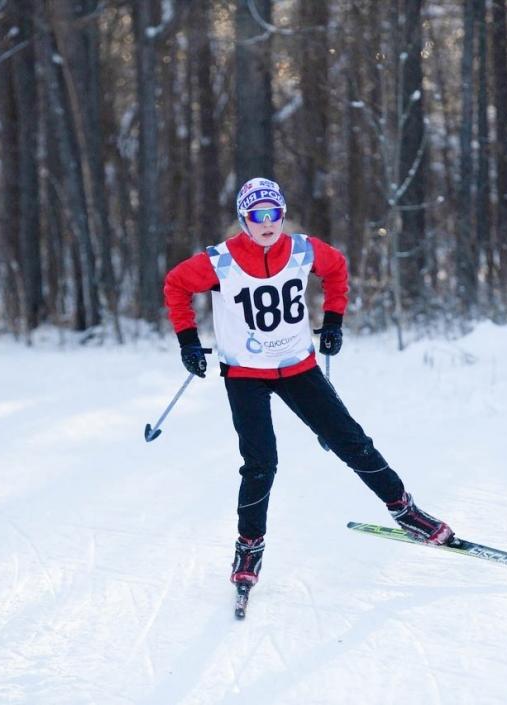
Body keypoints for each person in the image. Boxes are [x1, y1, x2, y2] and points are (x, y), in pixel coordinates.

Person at [163, 177, 453, 589]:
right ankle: (249, 546)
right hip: (245, 374)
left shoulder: (302, 250)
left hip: (298, 367)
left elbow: (336, 270)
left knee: (351, 441)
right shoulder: (220, 262)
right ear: (244, 219)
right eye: (258, 215)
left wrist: (333, 320)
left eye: (274, 213)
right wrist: (188, 342)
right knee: (261, 463)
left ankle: (405, 510)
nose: (268, 222)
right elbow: (175, 285)